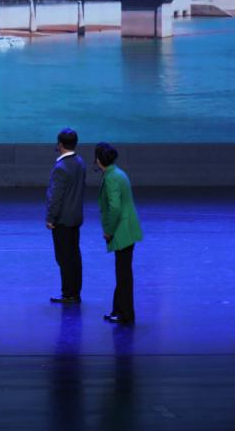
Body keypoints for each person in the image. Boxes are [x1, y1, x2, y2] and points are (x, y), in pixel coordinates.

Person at [96, 142, 143, 325]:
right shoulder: (118, 173)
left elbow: (114, 208)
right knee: (123, 273)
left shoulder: (111, 178)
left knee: (123, 274)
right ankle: (119, 310)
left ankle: (125, 313)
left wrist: (108, 231)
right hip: (128, 229)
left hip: (122, 231)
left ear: (98, 160)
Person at [46, 128, 86, 304]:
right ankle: (74, 292)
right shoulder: (80, 162)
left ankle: (68, 293)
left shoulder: (61, 168)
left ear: (60, 144)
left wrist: (50, 218)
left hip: (63, 219)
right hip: (75, 217)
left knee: (64, 257)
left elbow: (56, 197)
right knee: (74, 256)